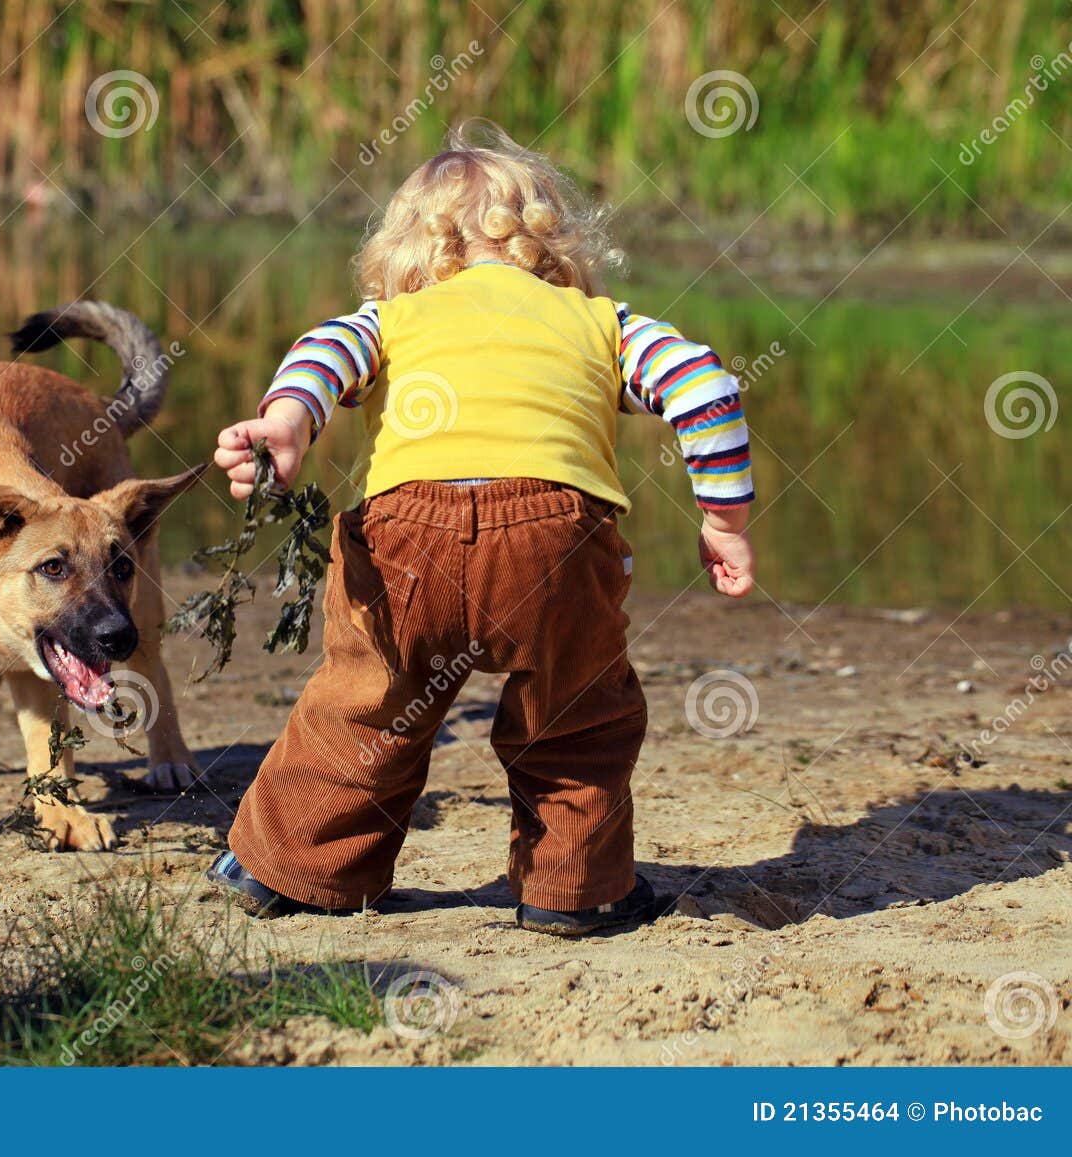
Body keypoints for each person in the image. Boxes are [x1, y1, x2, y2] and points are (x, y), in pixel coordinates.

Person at [206, 120, 756, 936]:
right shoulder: (601, 321)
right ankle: (574, 889)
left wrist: (287, 425)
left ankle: (290, 869)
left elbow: (325, 353)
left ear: (410, 254)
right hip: (556, 542)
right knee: (577, 718)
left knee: (366, 705)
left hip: (406, 540)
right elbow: (706, 389)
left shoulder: (395, 318)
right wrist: (724, 519)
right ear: (549, 242)